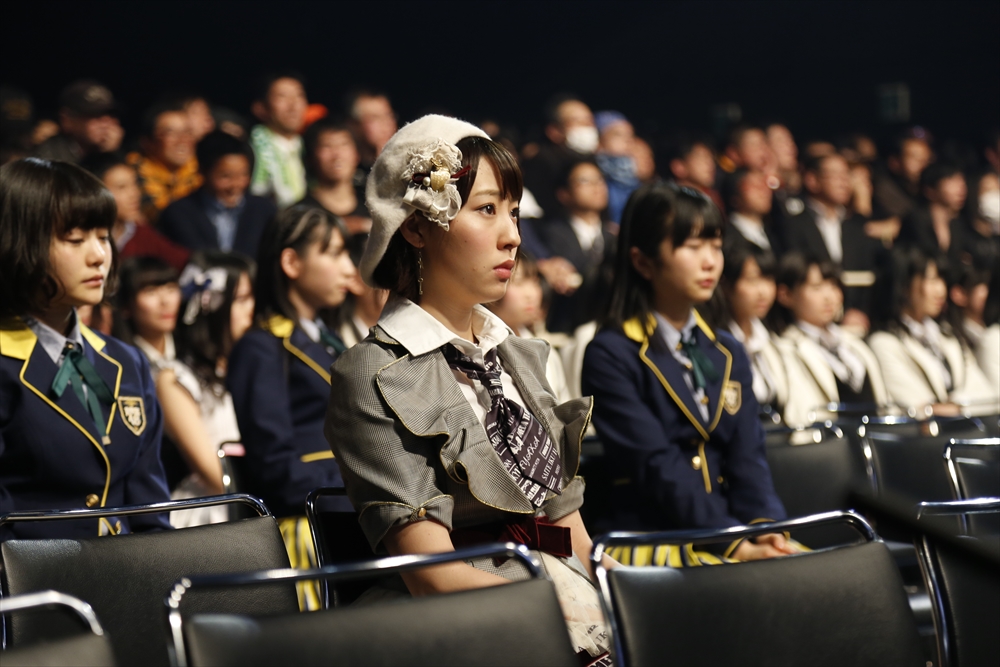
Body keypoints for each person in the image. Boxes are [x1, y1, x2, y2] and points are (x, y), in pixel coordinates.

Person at [324, 115, 613, 664]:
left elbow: (569, 530)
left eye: (514, 211)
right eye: (486, 209)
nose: (513, 236)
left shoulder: (517, 354)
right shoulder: (373, 372)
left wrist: (629, 593)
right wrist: (564, 608)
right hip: (473, 631)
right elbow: (433, 578)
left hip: (561, 596)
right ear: (416, 228)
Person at [582, 182, 794, 564]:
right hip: (653, 538)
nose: (710, 261)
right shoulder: (611, 353)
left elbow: (749, 455)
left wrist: (765, 528)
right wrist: (732, 543)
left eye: (715, 245)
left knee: (818, 573)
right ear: (643, 262)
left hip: (732, 530)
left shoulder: (727, 349)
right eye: (693, 247)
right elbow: (656, 465)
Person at [1, 158, 171, 541]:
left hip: (129, 572)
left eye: (103, 236)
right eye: (75, 240)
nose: (98, 256)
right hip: (35, 577)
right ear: (17, 243)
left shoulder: (126, 360)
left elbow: (151, 512)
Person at [227, 205, 355, 610]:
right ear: (291, 262)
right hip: (312, 529)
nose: (349, 268)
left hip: (351, 514)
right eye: (333, 253)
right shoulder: (262, 346)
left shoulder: (327, 339)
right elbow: (276, 467)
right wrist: (361, 485)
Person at [161, 251, 255, 528]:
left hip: (257, 500)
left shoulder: (252, 366)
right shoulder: (174, 378)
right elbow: (213, 473)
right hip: (214, 510)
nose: (252, 309)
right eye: (241, 299)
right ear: (209, 306)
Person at [868, 247, 997, 417]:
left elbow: (988, 396)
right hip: (924, 434)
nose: (941, 290)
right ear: (904, 285)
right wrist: (960, 407)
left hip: (965, 428)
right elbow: (918, 409)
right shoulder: (885, 343)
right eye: (932, 280)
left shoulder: (947, 335)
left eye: (941, 280)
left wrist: (956, 407)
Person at [773, 252, 889, 427]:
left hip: (874, 438)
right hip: (827, 440)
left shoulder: (854, 342)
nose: (829, 297)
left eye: (834, 286)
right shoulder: (784, 348)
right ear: (786, 295)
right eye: (817, 287)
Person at [784, 153, 883, 332]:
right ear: (812, 180)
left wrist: (860, 312)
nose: (844, 182)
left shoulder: (856, 228)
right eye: (836, 175)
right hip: (806, 324)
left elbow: (870, 274)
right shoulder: (793, 225)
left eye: (847, 175)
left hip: (857, 324)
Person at [158, 131, 276, 258]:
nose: (235, 185)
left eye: (243, 175)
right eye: (225, 176)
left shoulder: (264, 210)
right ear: (203, 171)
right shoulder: (179, 213)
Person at [534, 159, 616, 334]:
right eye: (585, 181)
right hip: (563, 327)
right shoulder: (549, 234)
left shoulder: (614, 238)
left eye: (600, 179)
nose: (596, 186)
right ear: (564, 194)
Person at [485, 253, 572, 403]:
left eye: (534, 282)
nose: (531, 294)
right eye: (518, 282)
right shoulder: (482, 351)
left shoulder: (544, 349)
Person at [82, 153, 190, 272]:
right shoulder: (79, 241)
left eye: (135, 184)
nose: (135, 194)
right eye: (122, 187)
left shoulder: (141, 233)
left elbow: (185, 262)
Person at [716, 241, 788, 419]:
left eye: (768, 280)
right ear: (726, 285)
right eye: (752, 280)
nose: (763, 291)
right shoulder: (716, 343)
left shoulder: (772, 341)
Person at [522, 94, 598, 218]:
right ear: (554, 131)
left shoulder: (594, 159)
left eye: (589, 121)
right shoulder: (542, 162)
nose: (586, 126)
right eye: (577, 121)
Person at [126, 101, 201, 223]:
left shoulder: (204, 173)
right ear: (147, 142)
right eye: (170, 132)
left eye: (187, 132)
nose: (182, 140)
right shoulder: (132, 176)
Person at [249, 71, 308, 208]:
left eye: (299, 96)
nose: (293, 106)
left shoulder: (311, 147)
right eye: (282, 97)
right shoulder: (251, 149)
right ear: (261, 107)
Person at [298, 117, 370, 228]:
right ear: (311, 158)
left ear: (357, 154)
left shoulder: (373, 204)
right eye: (327, 146)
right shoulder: (301, 213)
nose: (337, 155)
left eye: (344, 144)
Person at [34, 80, 123, 164]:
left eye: (111, 114)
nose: (106, 123)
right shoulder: (49, 157)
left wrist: (111, 156)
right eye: (94, 114)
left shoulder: (114, 155)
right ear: (67, 120)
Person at [898, 162, 967, 263]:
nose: (961, 188)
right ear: (930, 190)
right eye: (952, 180)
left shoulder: (957, 224)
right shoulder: (916, 219)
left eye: (962, 181)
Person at [872, 129, 933, 221]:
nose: (923, 164)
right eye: (915, 158)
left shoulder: (928, 189)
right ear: (894, 162)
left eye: (927, 159)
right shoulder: (883, 189)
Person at [723, 168, 783, 255]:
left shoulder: (775, 233)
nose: (765, 192)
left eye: (765, 185)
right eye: (756, 186)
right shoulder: (727, 236)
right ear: (735, 198)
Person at [594, 110, 639, 224]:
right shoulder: (595, 174)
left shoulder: (635, 177)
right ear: (599, 139)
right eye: (618, 134)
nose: (628, 140)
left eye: (630, 135)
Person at [663, 133, 724, 211]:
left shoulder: (713, 199)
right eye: (703, 158)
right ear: (678, 167)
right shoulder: (667, 202)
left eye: (712, 158)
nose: (711, 164)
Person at [346, 89, 398, 170]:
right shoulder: (348, 170)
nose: (385, 123)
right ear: (354, 124)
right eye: (375, 118)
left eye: (389, 115)